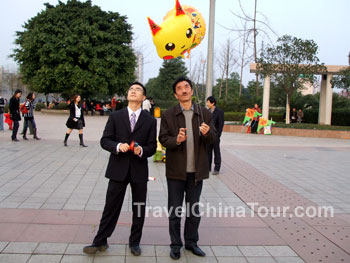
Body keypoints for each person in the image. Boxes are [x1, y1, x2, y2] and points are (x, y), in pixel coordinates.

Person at [83, 82, 157, 256]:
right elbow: (105, 140)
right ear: (127, 94)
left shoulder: (150, 120)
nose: (134, 91)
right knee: (111, 206)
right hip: (118, 169)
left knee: (138, 207)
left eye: (138, 90)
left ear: (143, 97)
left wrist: (142, 151)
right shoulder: (116, 116)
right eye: (131, 89)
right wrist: (117, 146)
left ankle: (135, 242)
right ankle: (100, 241)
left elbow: (152, 146)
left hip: (139, 170)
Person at [159, 76, 216, 260]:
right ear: (176, 95)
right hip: (176, 172)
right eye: (179, 88)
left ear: (192, 91)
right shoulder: (168, 115)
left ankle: (192, 243)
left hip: (196, 172)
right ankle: (176, 245)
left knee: (193, 211)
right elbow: (163, 139)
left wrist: (207, 134)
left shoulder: (204, 113)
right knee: (175, 210)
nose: (183, 90)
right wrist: (177, 140)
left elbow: (214, 138)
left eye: (186, 87)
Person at [206, 96, 224, 175]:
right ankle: (208, 167)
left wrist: (218, 135)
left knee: (217, 152)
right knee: (208, 152)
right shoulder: (207, 111)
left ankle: (217, 168)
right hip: (208, 135)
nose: (207, 104)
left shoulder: (219, 112)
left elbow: (221, 124)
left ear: (212, 103)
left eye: (208, 102)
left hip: (215, 136)